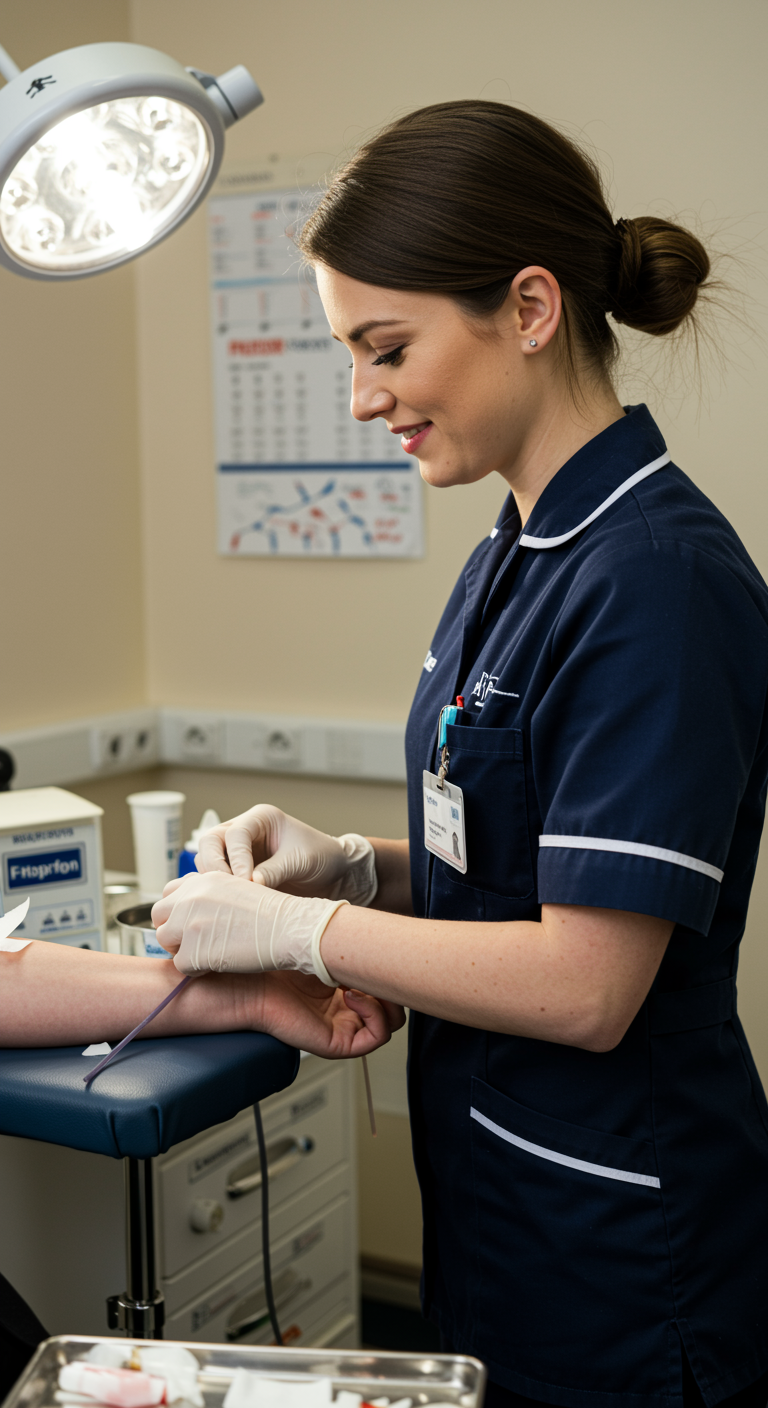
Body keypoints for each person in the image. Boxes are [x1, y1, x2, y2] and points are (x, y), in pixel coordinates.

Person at [152, 102, 768, 1408]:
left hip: (625, 1263)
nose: (365, 396)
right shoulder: (516, 552)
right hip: (505, 1209)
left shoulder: (655, 580)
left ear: (530, 308)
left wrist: (290, 939)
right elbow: (515, 867)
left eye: (388, 348)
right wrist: (352, 872)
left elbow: (585, 981)